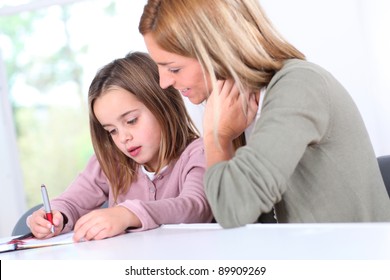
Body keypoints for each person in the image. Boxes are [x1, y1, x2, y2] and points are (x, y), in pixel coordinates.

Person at [139, 0, 390, 227]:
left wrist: (217, 136)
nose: (163, 82)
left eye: (173, 68)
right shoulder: (240, 105)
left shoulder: (300, 86)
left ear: (216, 49)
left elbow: (233, 211)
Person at [27, 52, 213, 241]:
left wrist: (127, 214)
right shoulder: (111, 162)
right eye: (112, 131)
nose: (123, 138)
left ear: (163, 105)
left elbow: (196, 207)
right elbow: (71, 201)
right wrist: (55, 215)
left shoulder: (199, 153)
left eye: (131, 121)